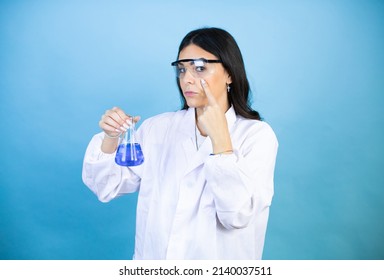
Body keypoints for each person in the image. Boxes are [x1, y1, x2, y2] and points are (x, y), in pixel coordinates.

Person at [82, 27, 278, 260]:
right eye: (182, 69)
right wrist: (111, 137)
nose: (187, 78)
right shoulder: (158, 128)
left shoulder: (256, 136)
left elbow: (238, 215)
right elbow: (107, 187)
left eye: (200, 68)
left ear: (229, 73)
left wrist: (222, 143)